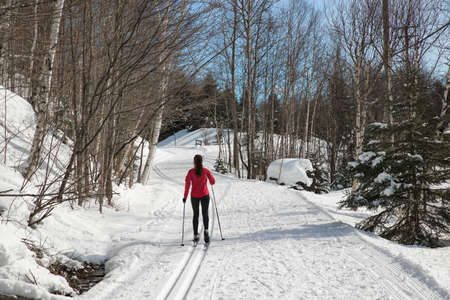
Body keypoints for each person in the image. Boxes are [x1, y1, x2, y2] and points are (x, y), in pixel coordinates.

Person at [183, 154, 215, 244]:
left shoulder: (190, 172)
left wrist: (185, 197)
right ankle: (206, 231)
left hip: (194, 196)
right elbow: (213, 182)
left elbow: (187, 185)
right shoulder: (206, 171)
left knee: (195, 215)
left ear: (194, 162)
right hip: (205, 195)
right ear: (201, 162)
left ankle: (196, 235)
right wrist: (209, 179)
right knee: (205, 213)